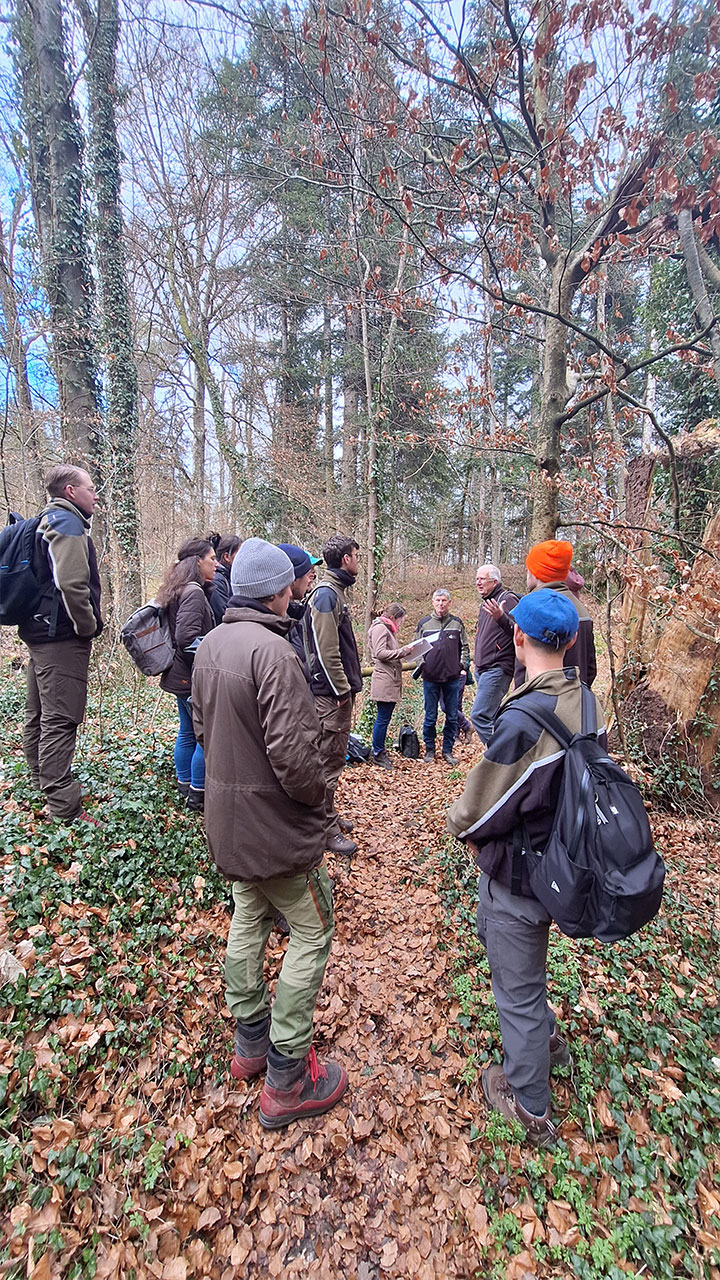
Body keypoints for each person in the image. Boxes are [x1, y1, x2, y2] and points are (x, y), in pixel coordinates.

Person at [191, 538, 348, 1128]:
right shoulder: (275, 653)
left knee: (249, 915)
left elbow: (202, 730)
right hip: (277, 831)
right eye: (289, 586)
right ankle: (288, 1075)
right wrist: (319, 805)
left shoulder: (212, 644)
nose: (294, 593)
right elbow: (297, 761)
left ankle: (250, 1041)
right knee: (313, 929)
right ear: (278, 592)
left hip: (228, 825)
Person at [447, 589, 606, 1146]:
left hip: (520, 873)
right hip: (565, 861)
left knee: (516, 991)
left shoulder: (525, 719)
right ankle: (547, 1041)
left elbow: (479, 807)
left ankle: (530, 1106)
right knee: (516, 963)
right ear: (570, 640)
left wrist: (458, 824)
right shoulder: (586, 700)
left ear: (517, 637)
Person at [19, 464, 103, 824]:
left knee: (39, 711)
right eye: (90, 488)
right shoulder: (67, 523)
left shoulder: (44, 521)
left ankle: (40, 778)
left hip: (40, 633)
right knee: (61, 717)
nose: (95, 496)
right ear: (71, 491)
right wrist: (86, 626)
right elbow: (72, 584)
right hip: (61, 638)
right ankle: (63, 806)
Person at [298, 535, 363, 857]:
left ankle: (329, 817)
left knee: (334, 759)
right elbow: (326, 651)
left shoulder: (334, 592)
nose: (358, 562)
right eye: (356, 556)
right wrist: (340, 689)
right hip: (329, 696)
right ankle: (324, 830)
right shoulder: (326, 595)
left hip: (333, 693)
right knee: (327, 763)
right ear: (345, 559)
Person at [158, 539, 216, 811]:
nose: (215, 564)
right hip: (190, 676)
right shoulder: (193, 592)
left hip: (179, 674)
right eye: (211, 558)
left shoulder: (178, 588)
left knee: (187, 731)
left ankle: (185, 785)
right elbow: (186, 638)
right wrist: (215, 646)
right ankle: (197, 794)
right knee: (203, 735)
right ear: (198, 561)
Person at [522, 540, 597, 686]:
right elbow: (590, 668)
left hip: (540, 695)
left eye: (528, 569)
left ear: (535, 573)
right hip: (578, 694)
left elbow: (522, 669)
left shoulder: (533, 609)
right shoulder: (581, 609)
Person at [413, 588, 470, 766]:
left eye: (444, 600)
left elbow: (465, 647)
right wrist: (422, 665)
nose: (440, 604)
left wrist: (462, 665)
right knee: (430, 716)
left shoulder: (457, 623)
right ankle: (429, 750)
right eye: (437, 600)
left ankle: (448, 751)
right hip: (430, 677)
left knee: (452, 717)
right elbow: (415, 649)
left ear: (449, 602)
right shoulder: (424, 624)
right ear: (433, 602)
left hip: (452, 678)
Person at [469, 564, 519, 745]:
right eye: (477, 579)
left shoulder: (508, 599)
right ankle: (508, 749)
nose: (478, 583)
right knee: (492, 716)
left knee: (480, 716)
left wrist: (501, 617)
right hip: (482, 668)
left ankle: (501, 756)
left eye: (482, 579)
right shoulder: (486, 603)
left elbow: (518, 632)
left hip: (497, 667)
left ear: (495, 581)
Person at [367, 603, 416, 769]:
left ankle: (379, 750)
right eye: (401, 621)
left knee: (384, 718)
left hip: (389, 678)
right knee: (382, 718)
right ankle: (378, 752)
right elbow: (379, 653)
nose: (401, 625)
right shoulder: (381, 628)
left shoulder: (386, 629)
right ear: (393, 618)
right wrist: (403, 651)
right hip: (384, 680)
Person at [209, 534, 242, 624]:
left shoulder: (229, 578)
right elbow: (223, 616)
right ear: (227, 557)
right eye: (240, 554)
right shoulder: (217, 581)